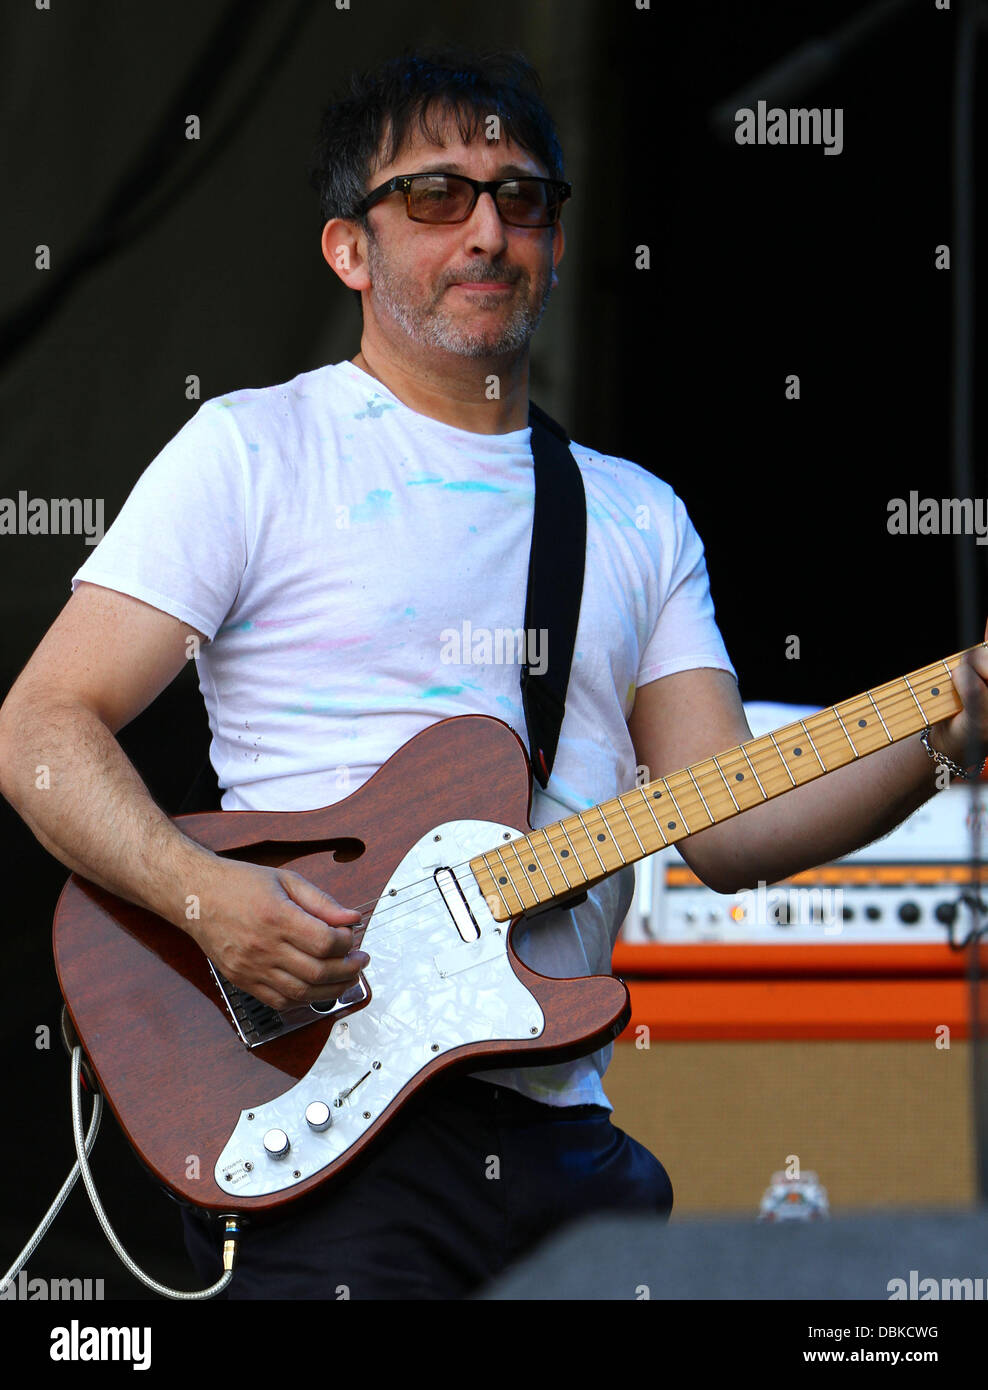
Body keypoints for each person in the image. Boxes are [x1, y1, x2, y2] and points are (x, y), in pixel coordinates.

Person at [0, 48, 985, 1301]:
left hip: (563, 1126)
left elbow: (735, 825)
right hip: (327, 1121)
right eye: (434, 197)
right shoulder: (252, 450)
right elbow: (40, 723)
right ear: (348, 248)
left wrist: (950, 729)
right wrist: (205, 902)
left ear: (558, 245)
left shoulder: (633, 516)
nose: (486, 230)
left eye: (522, 199)